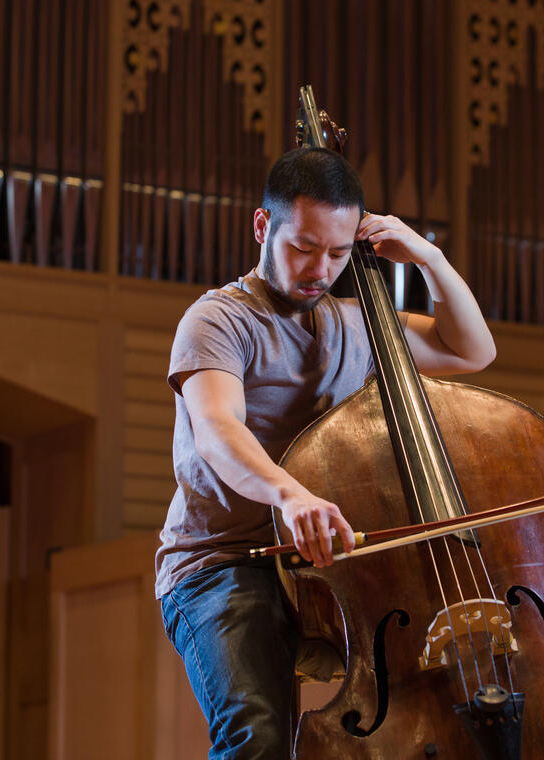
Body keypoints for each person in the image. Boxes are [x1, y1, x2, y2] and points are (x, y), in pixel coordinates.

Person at [155, 146, 495, 759]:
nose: (320, 269)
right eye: (304, 247)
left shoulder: (358, 322)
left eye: (339, 253)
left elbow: (471, 350)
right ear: (264, 227)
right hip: (226, 564)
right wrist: (289, 493)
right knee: (258, 737)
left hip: (331, 565)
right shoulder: (219, 320)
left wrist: (430, 258)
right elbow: (217, 428)